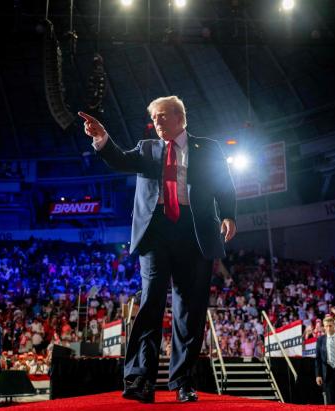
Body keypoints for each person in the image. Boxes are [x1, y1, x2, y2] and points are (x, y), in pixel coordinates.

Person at [79, 95, 237, 403]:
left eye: (162, 117)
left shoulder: (208, 148)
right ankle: (140, 379)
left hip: (195, 232)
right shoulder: (147, 148)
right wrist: (102, 138)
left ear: (180, 118)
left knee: (190, 310)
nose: (157, 123)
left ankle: (183, 382)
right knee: (150, 302)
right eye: (155, 118)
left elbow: (224, 184)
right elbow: (121, 159)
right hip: (155, 232)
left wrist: (229, 214)